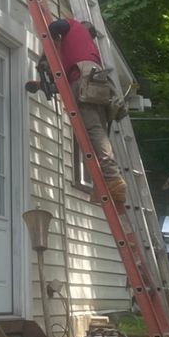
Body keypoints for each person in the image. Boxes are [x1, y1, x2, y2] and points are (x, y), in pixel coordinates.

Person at [48, 17, 129, 206]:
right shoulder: (87, 48)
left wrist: (51, 40)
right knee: (97, 132)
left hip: (85, 81)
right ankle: (103, 185)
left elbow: (56, 26)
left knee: (93, 130)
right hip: (96, 82)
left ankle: (113, 179)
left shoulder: (73, 25)